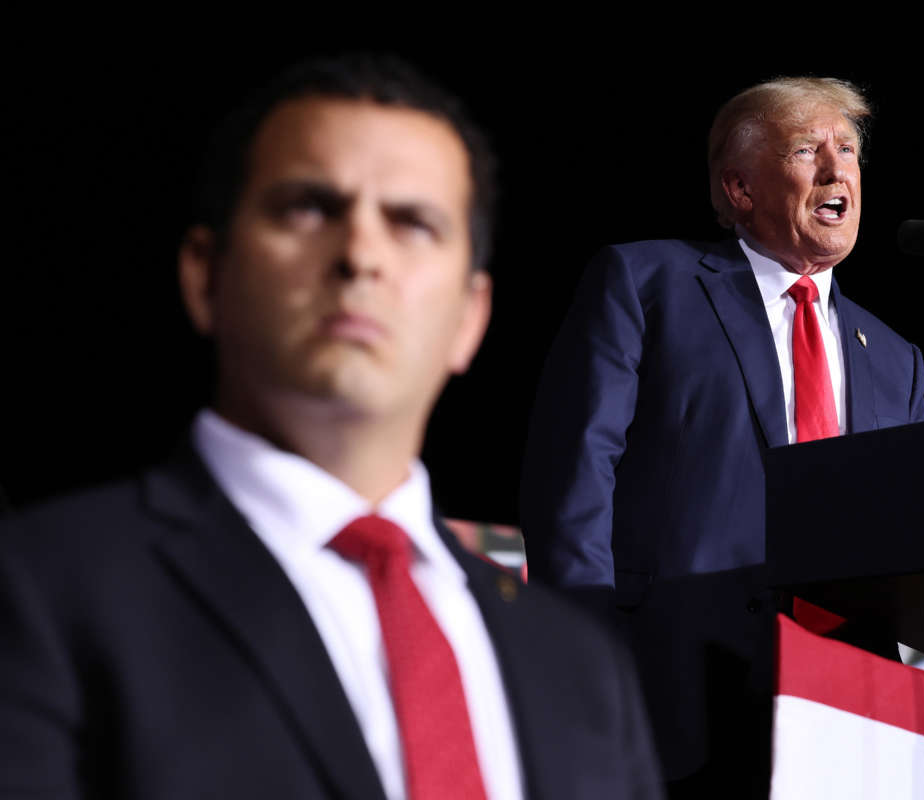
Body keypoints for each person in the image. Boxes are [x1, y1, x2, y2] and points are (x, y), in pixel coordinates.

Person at [0, 54, 661, 800]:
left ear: (470, 318)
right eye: (309, 208)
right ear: (205, 274)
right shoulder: (38, 590)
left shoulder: (581, 665)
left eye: (413, 223)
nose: (360, 256)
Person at [521, 77, 924, 796]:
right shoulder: (647, 283)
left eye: (849, 150)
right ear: (739, 187)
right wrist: (582, 658)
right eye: (807, 149)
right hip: (669, 684)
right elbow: (575, 478)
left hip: (849, 713)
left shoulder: (896, 358)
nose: (838, 171)